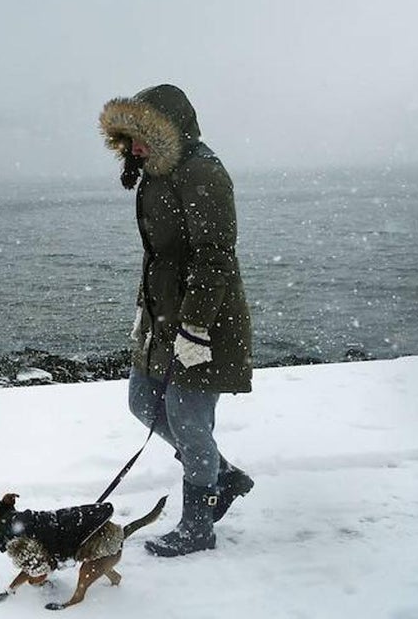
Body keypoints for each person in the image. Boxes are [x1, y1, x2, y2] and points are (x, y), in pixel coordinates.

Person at [97, 84, 254, 557]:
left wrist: (195, 325)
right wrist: (149, 312)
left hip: (202, 319)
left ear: (167, 131)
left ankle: (198, 525)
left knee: (188, 419)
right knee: (143, 401)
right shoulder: (157, 174)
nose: (133, 148)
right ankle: (222, 476)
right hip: (161, 316)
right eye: (127, 140)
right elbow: (162, 257)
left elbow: (215, 257)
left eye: (140, 137)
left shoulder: (202, 171)